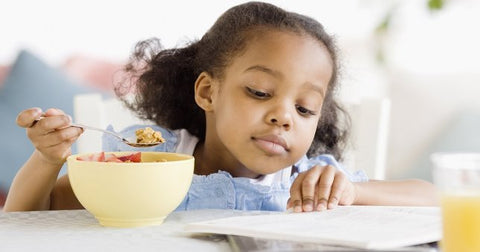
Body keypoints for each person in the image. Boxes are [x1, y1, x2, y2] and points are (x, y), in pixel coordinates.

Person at [4, 1, 437, 213]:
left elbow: (436, 200)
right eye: (261, 93)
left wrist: (352, 192)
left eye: (305, 109)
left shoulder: (310, 181)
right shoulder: (151, 162)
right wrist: (47, 160)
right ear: (208, 92)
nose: (284, 116)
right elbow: (29, 217)